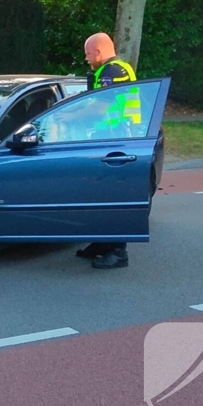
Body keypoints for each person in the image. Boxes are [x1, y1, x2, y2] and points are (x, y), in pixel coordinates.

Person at [75, 32, 139, 269]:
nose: (86, 59)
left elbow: (97, 110)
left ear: (99, 52)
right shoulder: (115, 69)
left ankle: (118, 251)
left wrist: (66, 118)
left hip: (116, 144)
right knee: (100, 197)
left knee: (112, 198)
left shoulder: (113, 72)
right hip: (112, 143)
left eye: (88, 54)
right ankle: (103, 243)